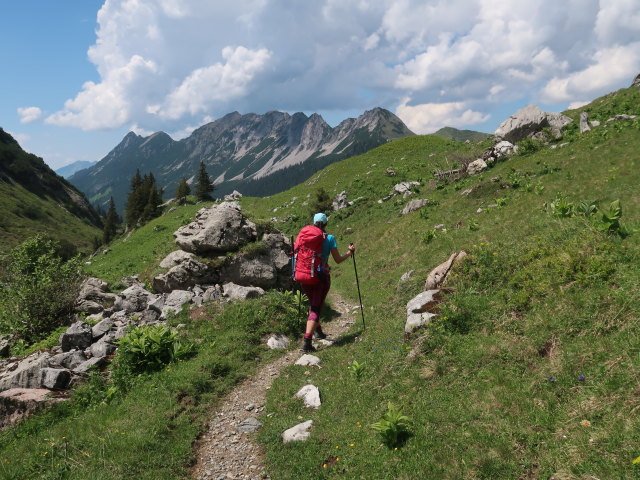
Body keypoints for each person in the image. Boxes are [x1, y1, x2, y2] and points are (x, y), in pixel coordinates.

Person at [299, 212, 355, 352]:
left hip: (303, 275)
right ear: (325, 224)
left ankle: (318, 331)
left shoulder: (304, 237)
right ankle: (307, 342)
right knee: (316, 308)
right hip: (320, 278)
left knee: (313, 303)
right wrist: (349, 253)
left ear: (313, 222)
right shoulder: (330, 238)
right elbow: (337, 260)